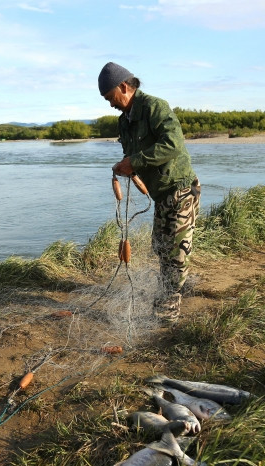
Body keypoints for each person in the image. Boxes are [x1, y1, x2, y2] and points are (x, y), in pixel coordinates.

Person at [98, 61, 200, 325]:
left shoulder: (155, 107)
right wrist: (126, 167)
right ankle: (170, 291)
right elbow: (131, 155)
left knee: (176, 253)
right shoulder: (124, 122)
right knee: (162, 248)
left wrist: (135, 162)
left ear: (124, 86)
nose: (110, 104)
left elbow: (173, 145)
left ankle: (169, 309)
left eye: (111, 97)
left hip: (181, 190)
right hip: (160, 195)